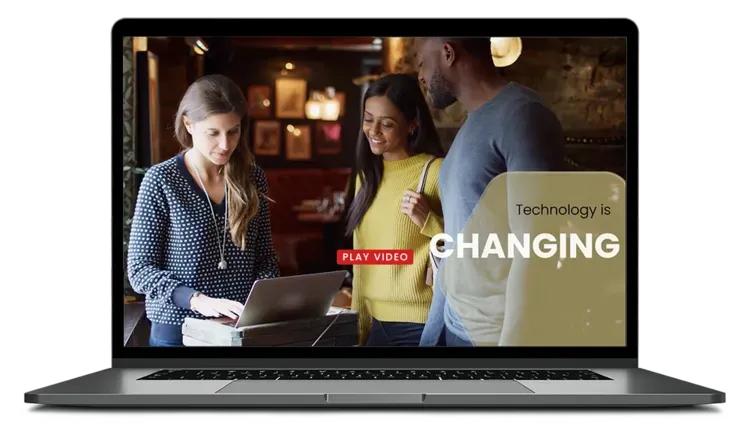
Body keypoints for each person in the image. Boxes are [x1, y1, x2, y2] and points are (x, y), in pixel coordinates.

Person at [414, 37, 567, 347]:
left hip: (494, 337)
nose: (421, 75)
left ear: (448, 53)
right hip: (456, 325)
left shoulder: (523, 115)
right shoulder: (472, 124)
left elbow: (537, 245)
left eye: (422, 62)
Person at [127, 74, 280, 347]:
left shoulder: (253, 178)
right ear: (189, 124)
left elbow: (266, 258)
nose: (225, 144)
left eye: (233, 131)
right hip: (178, 331)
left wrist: (265, 301)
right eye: (213, 133)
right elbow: (140, 270)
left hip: (242, 330)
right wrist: (197, 300)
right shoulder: (161, 180)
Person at [346, 73, 446, 346]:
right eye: (368, 119)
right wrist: (359, 327)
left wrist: (429, 221)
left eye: (386, 124)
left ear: (412, 124)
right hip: (376, 326)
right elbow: (361, 261)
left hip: (420, 326)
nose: (373, 131)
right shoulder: (366, 178)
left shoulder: (436, 172)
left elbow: (472, 246)